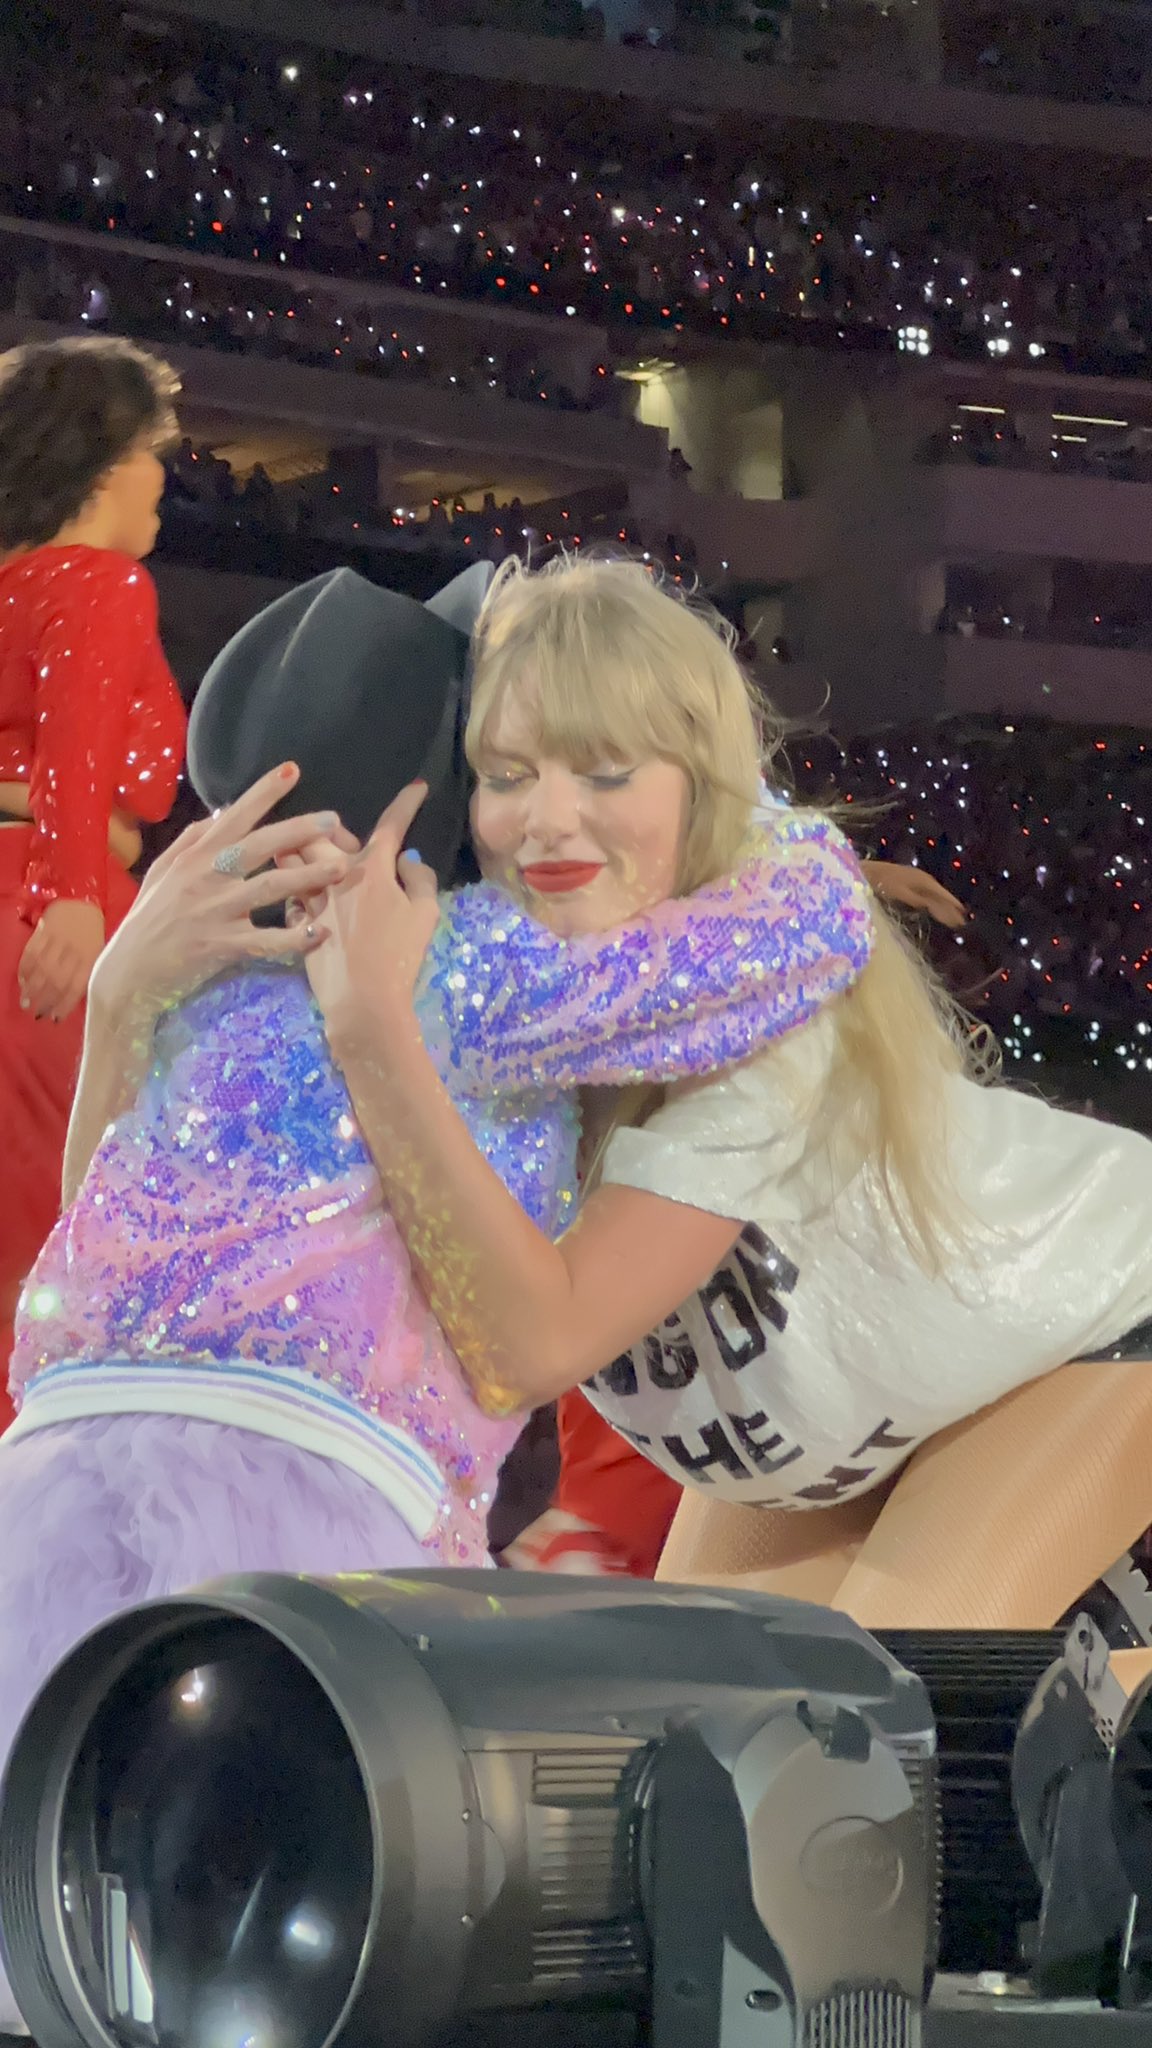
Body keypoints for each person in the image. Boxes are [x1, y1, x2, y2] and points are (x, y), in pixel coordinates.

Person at [0, 563, 871, 2029]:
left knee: (54, 1946)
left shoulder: (203, 957)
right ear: (425, 789)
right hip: (297, 1513)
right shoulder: (464, 966)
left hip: (43, 1494)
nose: (540, 813)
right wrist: (728, 779)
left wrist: (130, 985)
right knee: (257, 1951)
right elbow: (812, 930)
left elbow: (78, 1236)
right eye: (500, 765)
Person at [302, 552, 1152, 1635]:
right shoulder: (482, 1006)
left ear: (701, 785)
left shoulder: (760, 1016)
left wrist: (372, 1031)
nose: (551, 817)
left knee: (906, 1722)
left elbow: (531, 1346)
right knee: (717, 1738)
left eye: (606, 771)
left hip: (1088, 1317)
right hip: (842, 1432)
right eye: (509, 774)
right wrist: (131, 987)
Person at [0, 336, 187, 1418]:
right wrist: (70, 889)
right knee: (61, 1227)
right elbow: (77, 741)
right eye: (159, 450)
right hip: (56, 911)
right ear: (108, 459)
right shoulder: (102, 582)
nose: (167, 477)